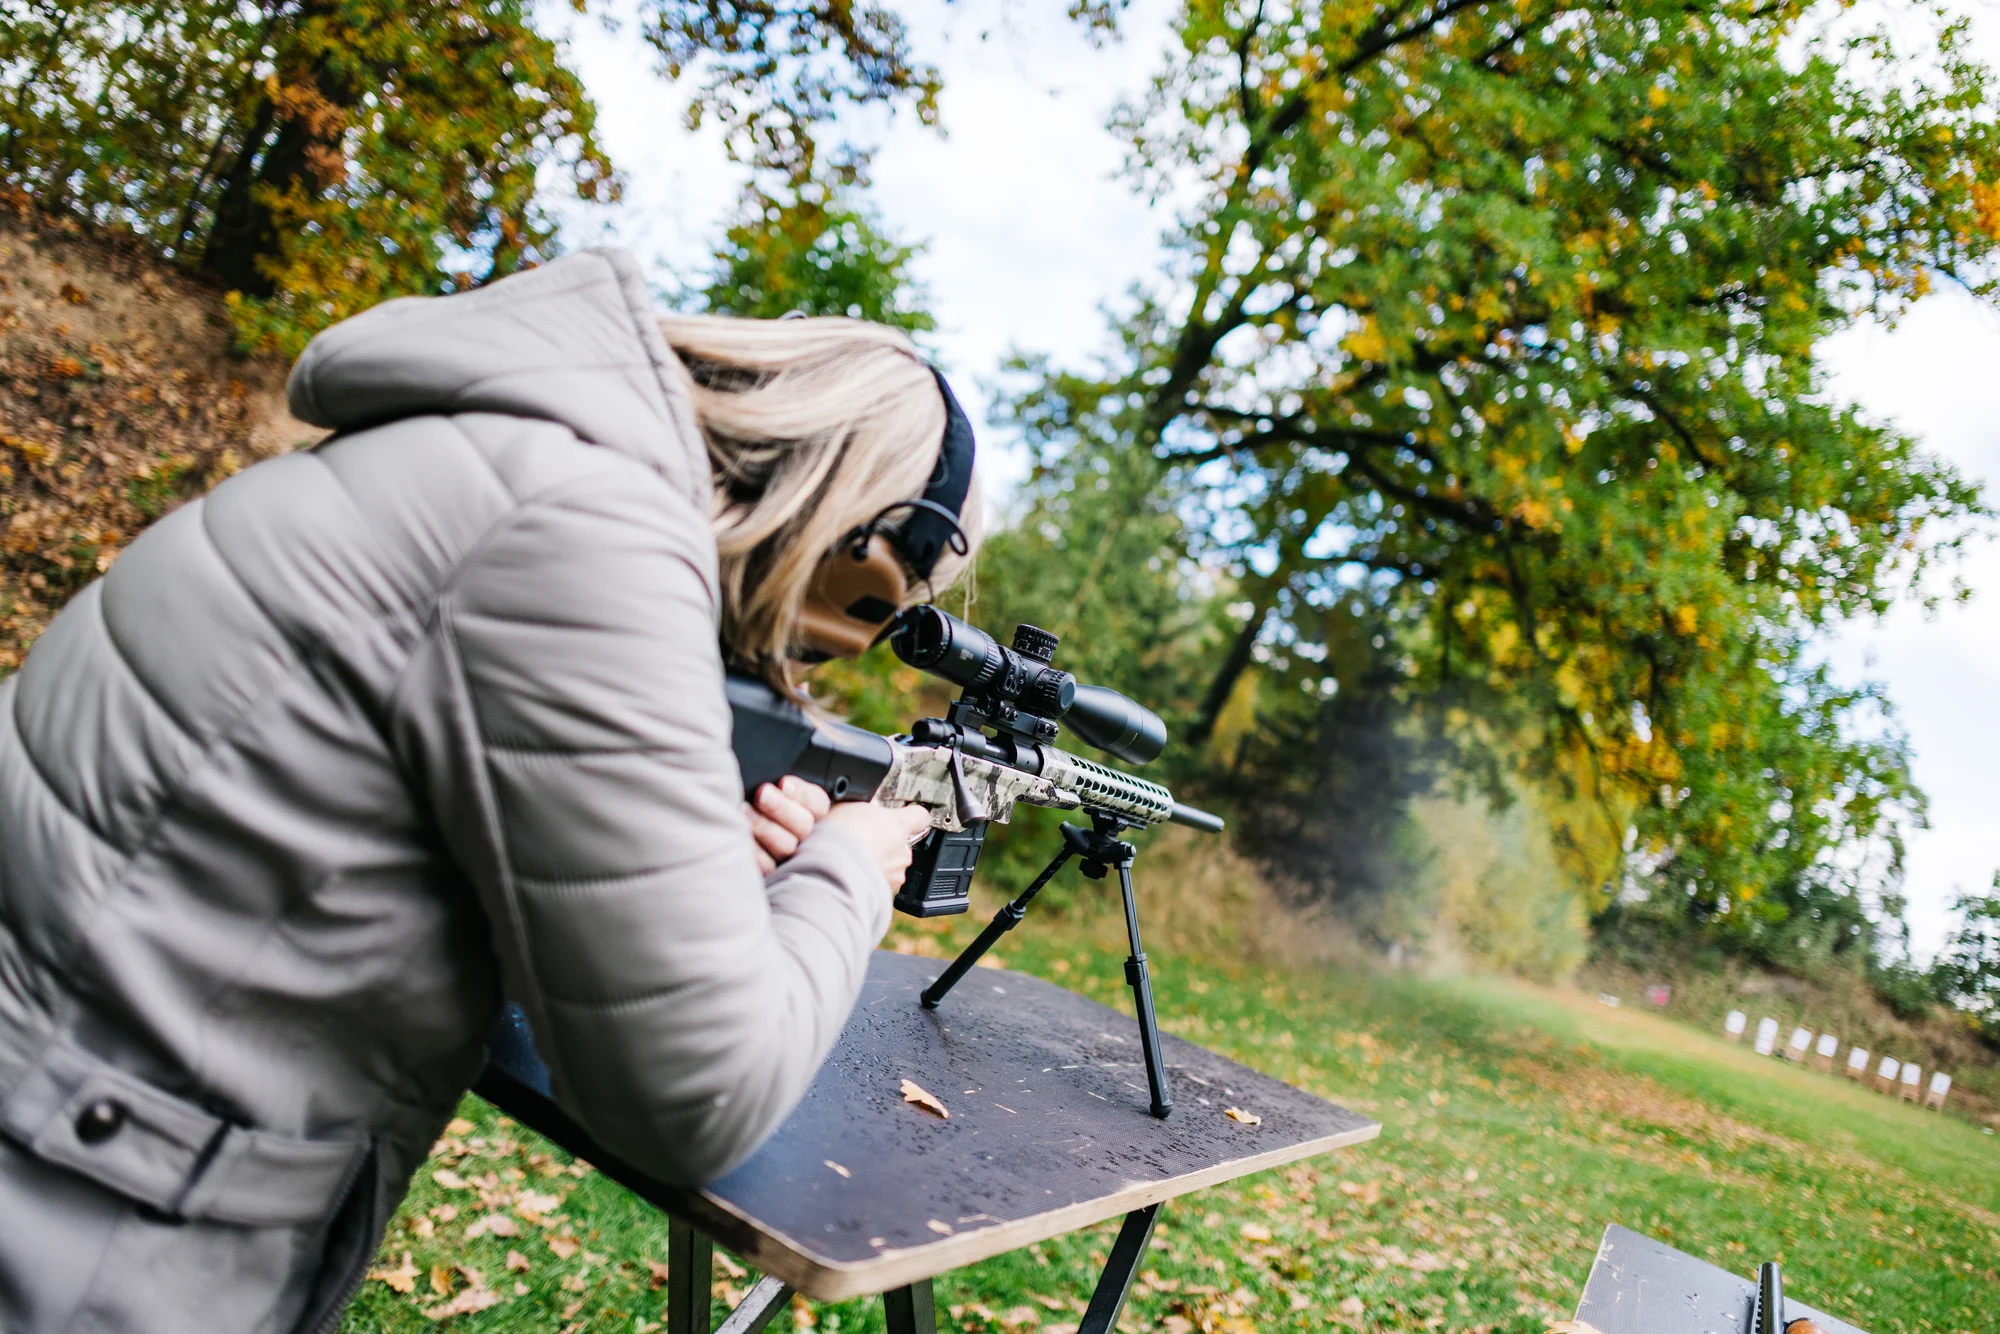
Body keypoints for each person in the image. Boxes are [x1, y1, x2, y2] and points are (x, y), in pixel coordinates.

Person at [0, 248, 976, 1333]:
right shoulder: (591, 538)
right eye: (890, 603)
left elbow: (342, 826)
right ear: (865, 544)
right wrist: (847, 863)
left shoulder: (491, 451)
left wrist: (687, 857)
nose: (854, 639)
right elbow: (693, 1102)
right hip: (75, 1214)